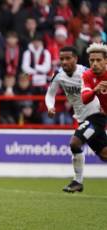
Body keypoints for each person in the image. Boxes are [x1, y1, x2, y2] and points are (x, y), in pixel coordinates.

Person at [45, 46, 100, 193]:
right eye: (62, 59)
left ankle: (77, 181)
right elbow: (50, 94)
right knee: (103, 153)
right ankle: (78, 182)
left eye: (68, 58)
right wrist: (50, 106)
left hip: (96, 116)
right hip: (83, 119)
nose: (64, 61)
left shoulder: (86, 72)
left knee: (75, 143)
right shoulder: (59, 76)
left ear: (75, 59)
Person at [80, 43, 107, 163]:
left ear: (106, 60)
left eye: (98, 60)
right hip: (99, 117)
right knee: (103, 154)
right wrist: (95, 90)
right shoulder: (87, 75)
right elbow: (85, 99)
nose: (94, 63)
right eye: (92, 60)